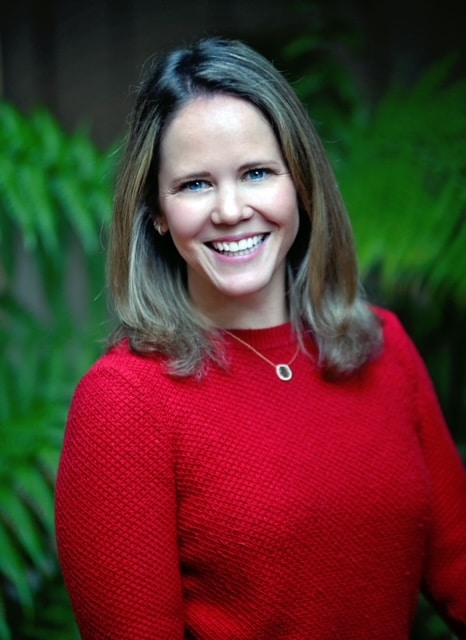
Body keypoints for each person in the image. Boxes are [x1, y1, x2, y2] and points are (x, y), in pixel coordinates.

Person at [55, 36, 466, 639]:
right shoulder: (124, 404)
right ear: (158, 213)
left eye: (256, 173)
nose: (230, 209)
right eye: (195, 184)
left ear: (300, 182)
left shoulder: (384, 347)